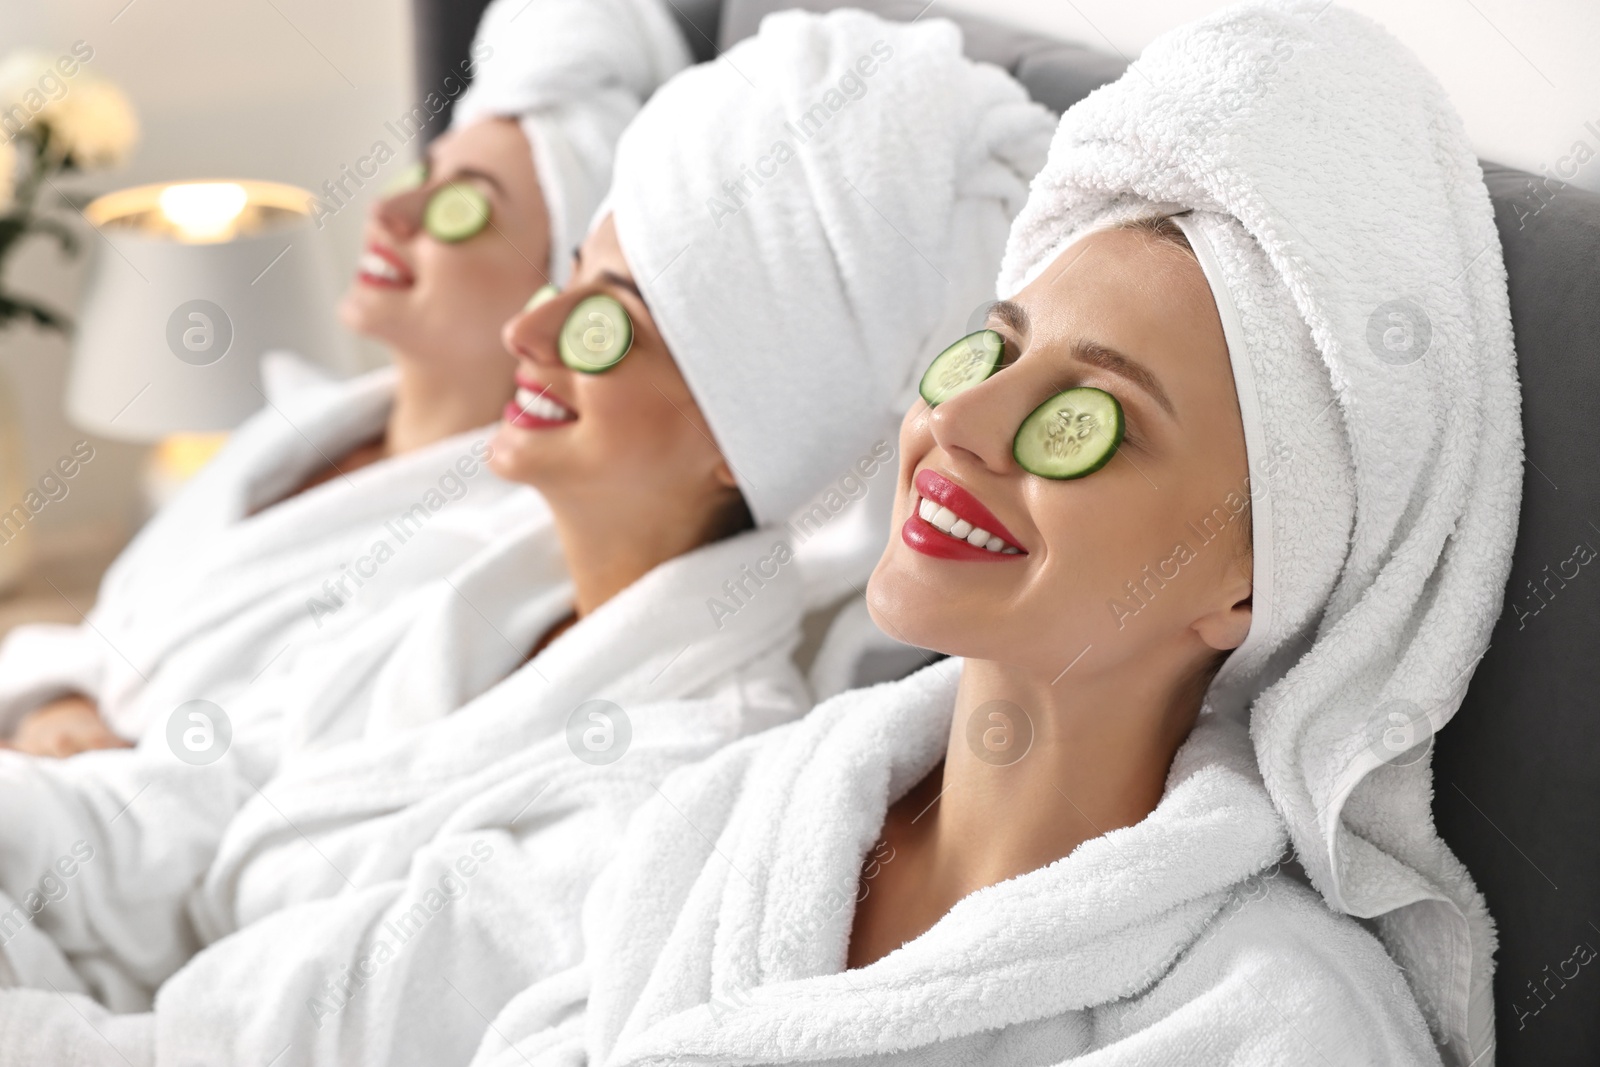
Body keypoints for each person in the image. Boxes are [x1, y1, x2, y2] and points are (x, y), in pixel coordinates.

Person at [469, 4, 1520, 1067]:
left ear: (1249, 582)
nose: (957, 423)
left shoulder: (1274, 1025)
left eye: (1089, 417)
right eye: (991, 349)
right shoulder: (737, 810)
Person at [0, 10, 1056, 1066]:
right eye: (567, 281)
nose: (527, 333)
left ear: (750, 433)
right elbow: (191, 802)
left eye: (611, 319)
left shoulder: (668, 791)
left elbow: (285, 1043)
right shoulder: (478, 583)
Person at [0, 0, 691, 758]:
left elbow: (278, 780)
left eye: (465, 206)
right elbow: (100, 636)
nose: (394, 209)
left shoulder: (506, 562)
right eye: (422, 172)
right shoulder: (287, 431)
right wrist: (59, 701)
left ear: (561, 284)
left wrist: (84, 774)